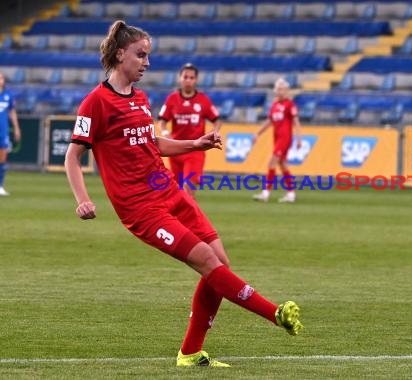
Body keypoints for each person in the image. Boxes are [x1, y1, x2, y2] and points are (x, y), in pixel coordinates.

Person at [64, 20, 303, 368]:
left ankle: (190, 352)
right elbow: (73, 155)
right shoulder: (95, 103)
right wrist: (82, 199)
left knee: (220, 262)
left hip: (169, 191)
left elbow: (153, 143)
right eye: (140, 55)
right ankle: (274, 313)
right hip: (141, 208)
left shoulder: (142, 99)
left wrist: (196, 142)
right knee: (207, 260)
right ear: (120, 55)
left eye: (148, 56)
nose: (147, 62)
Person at [158, 63, 221, 198]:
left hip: (195, 150)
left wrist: (214, 133)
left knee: (188, 189)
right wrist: (165, 133)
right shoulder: (172, 99)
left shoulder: (203, 100)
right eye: (185, 77)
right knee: (176, 192)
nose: (188, 80)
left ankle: (188, 219)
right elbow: (162, 121)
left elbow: (217, 120)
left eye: (191, 78)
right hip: (176, 149)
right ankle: (180, 219)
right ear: (180, 78)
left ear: (196, 80)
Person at [252, 78, 302, 203]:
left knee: (272, 163)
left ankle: (266, 193)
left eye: (283, 89)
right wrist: (258, 133)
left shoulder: (290, 104)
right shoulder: (274, 105)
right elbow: (269, 121)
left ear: (287, 91)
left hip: (285, 138)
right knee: (283, 164)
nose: (281, 92)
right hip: (277, 138)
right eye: (279, 89)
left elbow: (296, 122)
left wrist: (299, 138)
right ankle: (291, 194)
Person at [0, 71, 22, 196]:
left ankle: (0, 186)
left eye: (1, 78)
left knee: (2, 158)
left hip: (3, 131)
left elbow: (12, 113)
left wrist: (17, 128)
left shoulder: (8, 95)